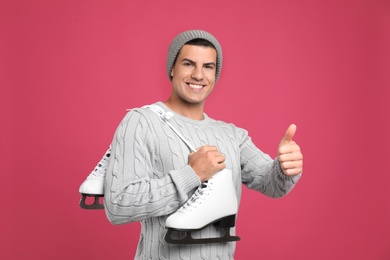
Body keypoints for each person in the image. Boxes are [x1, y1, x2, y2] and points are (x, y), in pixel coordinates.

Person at [103, 29, 303, 260]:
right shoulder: (142, 121)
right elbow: (118, 205)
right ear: (172, 68)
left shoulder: (231, 135)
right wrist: (192, 174)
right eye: (188, 64)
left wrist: (285, 168)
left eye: (208, 67)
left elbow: (272, 185)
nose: (198, 75)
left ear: (215, 74)